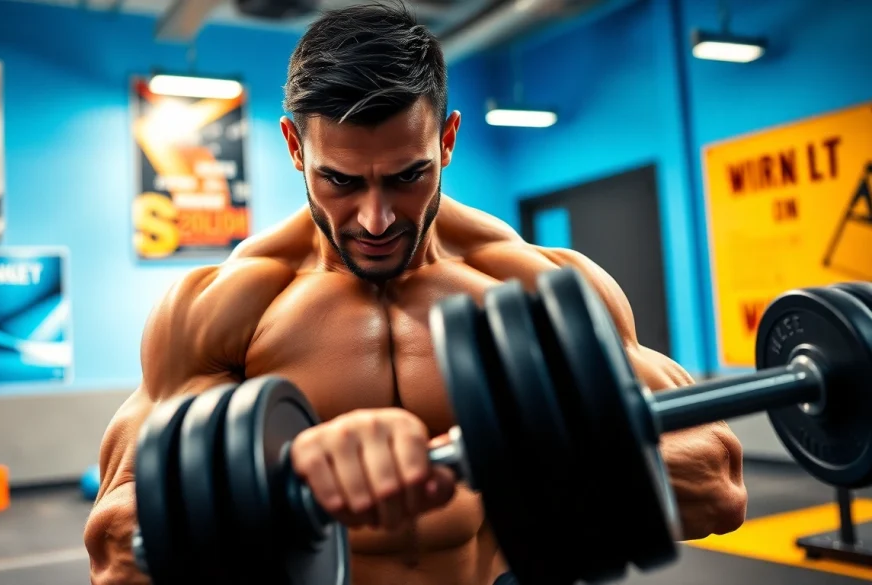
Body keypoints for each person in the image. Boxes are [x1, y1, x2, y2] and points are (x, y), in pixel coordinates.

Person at [84, 3, 748, 584]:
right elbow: (115, 548)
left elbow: (716, 481)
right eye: (341, 181)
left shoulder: (537, 284)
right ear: (294, 146)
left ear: (448, 139)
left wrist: (518, 446)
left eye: (408, 176)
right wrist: (290, 475)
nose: (376, 219)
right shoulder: (224, 308)